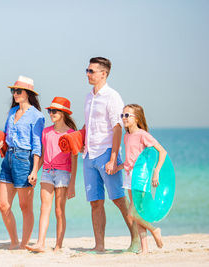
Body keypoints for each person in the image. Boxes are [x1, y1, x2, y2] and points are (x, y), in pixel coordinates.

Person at [81, 57, 140, 252]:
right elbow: (89, 126)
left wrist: (114, 158)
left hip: (107, 152)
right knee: (95, 202)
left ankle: (136, 239)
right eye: (87, 70)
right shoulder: (88, 97)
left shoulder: (112, 96)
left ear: (103, 74)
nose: (88, 74)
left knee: (118, 199)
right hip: (89, 155)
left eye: (91, 71)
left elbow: (117, 128)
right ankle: (99, 246)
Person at [0, 75, 45, 250]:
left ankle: (23, 244)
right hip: (8, 158)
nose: (14, 93)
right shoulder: (11, 112)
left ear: (28, 93)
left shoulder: (37, 116)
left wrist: (35, 170)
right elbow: (8, 135)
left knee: (25, 206)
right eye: (13, 90)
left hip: (25, 159)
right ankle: (14, 241)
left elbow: (37, 145)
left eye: (18, 90)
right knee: (2, 204)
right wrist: (3, 143)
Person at [26, 97, 78, 252]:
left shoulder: (72, 134)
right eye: (50, 111)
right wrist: (35, 171)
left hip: (63, 174)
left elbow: (74, 161)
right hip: (47, 172)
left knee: (59, 210)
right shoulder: (46, 132)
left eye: (54, 111)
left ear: (63, 113)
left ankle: (58, 245)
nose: (51, 113)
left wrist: (72, 184)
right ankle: (40, 243)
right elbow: (42, 155)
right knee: (44, 208)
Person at [117, 104, 166, 254]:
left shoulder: (143, 135)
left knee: (132, 213)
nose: (124, 118)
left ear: (136, 118)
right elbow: (129, 160)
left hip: (140, 177)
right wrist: (115, 167)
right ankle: (144, 248)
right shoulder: (126, 136)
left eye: (127, 115)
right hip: (128, 176)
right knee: (138, 212)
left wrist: (156, 172)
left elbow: (162, 152)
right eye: (122, 115)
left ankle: (154, 229)